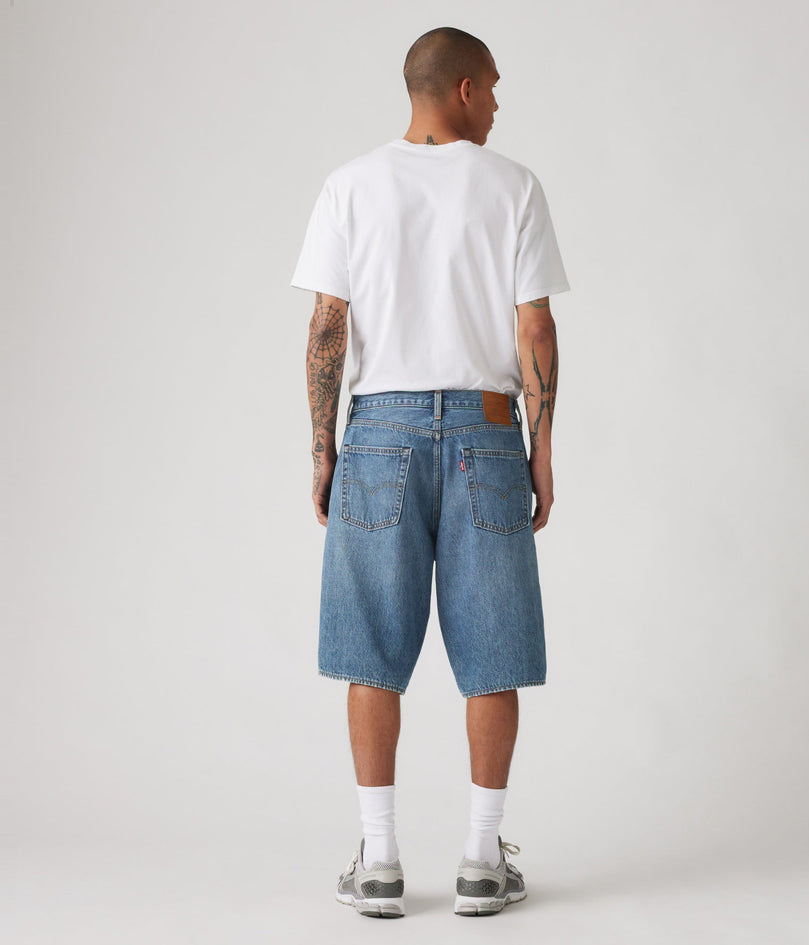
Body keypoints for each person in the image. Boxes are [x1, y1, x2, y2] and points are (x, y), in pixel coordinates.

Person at [290, 26, 570, 918]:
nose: (498, 103)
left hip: (379, 433)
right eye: (492, 86)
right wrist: (541, 450)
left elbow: (327, 324)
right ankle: (482, 861)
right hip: (488, 433)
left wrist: (324, 448)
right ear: (460, 89)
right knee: (494, 653)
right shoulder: (512, 185)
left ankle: (378, 860)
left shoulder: (350, 185)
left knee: (372, 650)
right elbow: (535, 328)